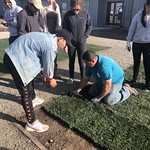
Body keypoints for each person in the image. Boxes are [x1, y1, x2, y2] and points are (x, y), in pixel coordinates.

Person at [3, 29, 73, 132]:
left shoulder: (47, 37)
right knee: (25, 91)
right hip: (16, 61)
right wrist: (50, 78)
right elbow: (49, 64)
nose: (65, 48)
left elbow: (41, 59)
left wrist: (43, 73)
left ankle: (34, 98)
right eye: (66, 44)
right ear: (60, 38)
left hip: (14, 55)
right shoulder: (50, 46)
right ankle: (31, 123)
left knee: (29, 77)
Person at [70, 50, 138, 105]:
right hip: (102, 80)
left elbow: (108, 85)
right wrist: (78, 90)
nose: (86, 65)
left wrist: (99, 98)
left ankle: (127, 90)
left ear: (92, 61)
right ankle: (104, 90)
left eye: (86, 63)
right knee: (92, 93)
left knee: (109, 100)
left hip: (115, 81)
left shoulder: (104, 67)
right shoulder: (89, 65)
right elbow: (85, 78)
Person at [62, 0, 92, 84]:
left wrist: (85, 36)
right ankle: (71, 77)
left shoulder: (85, 13)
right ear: (71, 7)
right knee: (71, 60)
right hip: (71, 42)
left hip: (82, 42)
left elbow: (90, 26)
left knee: (82, 61)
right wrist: (67, 41)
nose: (75, 11)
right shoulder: (67, 15)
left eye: (77, 9)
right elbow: (65, 29)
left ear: (81, 7)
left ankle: (83, 78)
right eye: (74, 9)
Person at [126, 0, 150, 91]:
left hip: (148, 44)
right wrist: (128, 41)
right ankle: (134, 80)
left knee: (147, 64)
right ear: (146, 6)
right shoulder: (137, 16)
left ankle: (148, 84)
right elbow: (132, 29)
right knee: (136, 63)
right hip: (137, 44)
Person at [38, 0, 62, 78]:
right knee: (45, 55)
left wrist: (59, 30)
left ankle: (54, 73)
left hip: (54, 34)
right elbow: (38, 20)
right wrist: (41, 30)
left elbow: (59, 20)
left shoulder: (56, 6)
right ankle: (44, 75)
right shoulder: (41, 6)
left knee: (54, 55)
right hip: (45, 34)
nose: (49, 1)